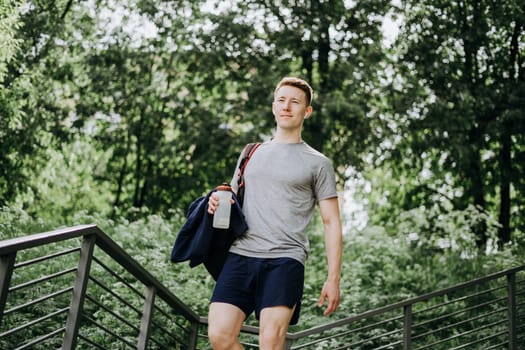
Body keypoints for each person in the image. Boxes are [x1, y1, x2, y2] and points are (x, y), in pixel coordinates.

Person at [206, 77, 343, 350]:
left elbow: (331, 222)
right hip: (241, 255)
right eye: (281, 100)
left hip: (285, 259)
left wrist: (333, 278)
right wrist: (214, 202)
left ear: (307, 111)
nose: (287, 107)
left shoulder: (318, 163)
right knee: (219, 335)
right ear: (273, 107)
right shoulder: (250, 152)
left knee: (270, 341)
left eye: (295, 102)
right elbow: (232, 199)